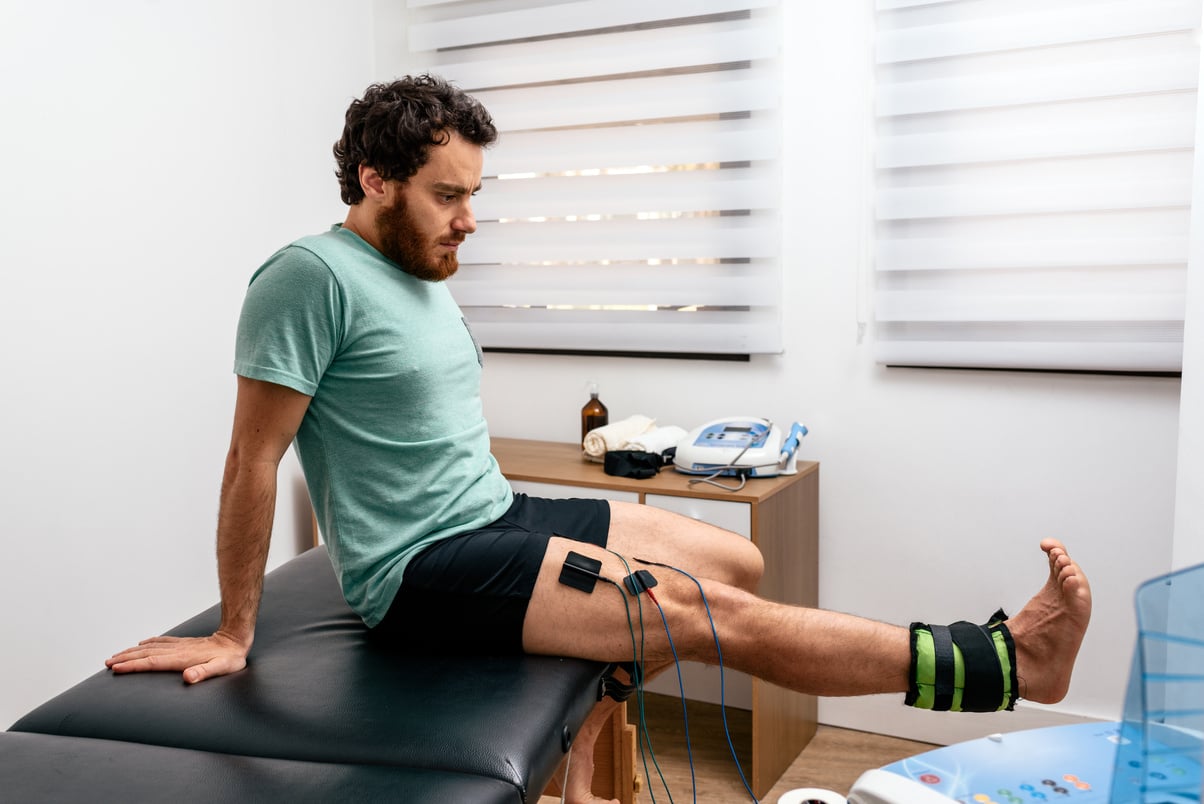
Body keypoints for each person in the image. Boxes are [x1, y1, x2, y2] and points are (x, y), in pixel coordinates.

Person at [107, 74, 1093, 804]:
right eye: (449, 197)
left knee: (737, 558)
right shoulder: (306, 277)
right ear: (374, 179)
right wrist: (235, 630)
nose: (470, 220)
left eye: (473, 195)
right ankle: (1001, 661)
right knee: (712, 617)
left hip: (491, 513)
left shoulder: (418, 277)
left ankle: (583, 726)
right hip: (421, 570)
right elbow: (253, 459)